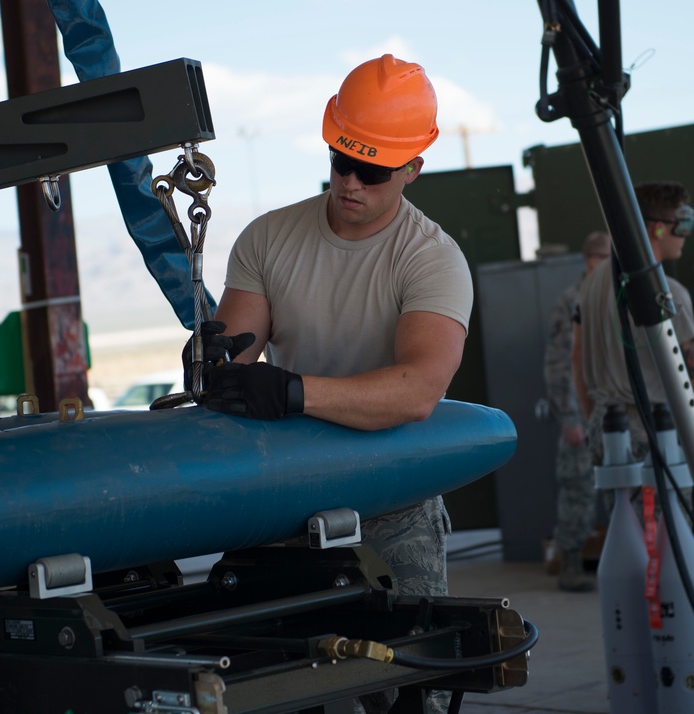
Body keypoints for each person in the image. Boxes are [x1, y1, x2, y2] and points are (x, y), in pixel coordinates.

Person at [186, 55, 473, 714]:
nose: (349, 181)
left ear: (412, 168)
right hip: (293, 497)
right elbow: (237, 353)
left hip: (394, 502)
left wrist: (292, 393)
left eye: (371, 170)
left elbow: (417, 389)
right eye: (341, 159)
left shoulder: (433, 260)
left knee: (411, 690)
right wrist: (214, 365)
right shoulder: (267, 239)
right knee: (277, 683)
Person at [573, 182, 694, 467]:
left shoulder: (589, 285)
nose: (685, 235)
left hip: (606, 427)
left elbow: (576, 358)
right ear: (659, 229)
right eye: (682, 224)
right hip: (657, 430)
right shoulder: (669, 293)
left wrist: (595, 418)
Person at [542, 231, 611, 592]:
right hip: (580, 414)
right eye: (599, 260)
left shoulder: (617, 296)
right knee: (578, 487)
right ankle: (569, 560)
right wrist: (570, 417)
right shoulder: (572, 301)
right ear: (588, 261)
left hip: (613, 408)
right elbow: (558, 365)